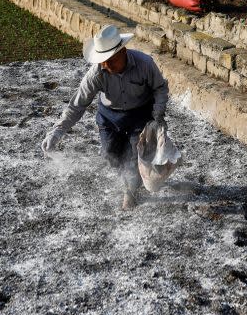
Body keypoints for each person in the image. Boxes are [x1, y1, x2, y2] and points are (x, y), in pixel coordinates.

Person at [41, 25, 169, 210]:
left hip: (140, 113)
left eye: (110, 60)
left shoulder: (145, 64)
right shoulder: (96, 73)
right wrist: (57, 131)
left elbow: (160, 88)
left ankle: (130, 190)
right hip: (109, 117)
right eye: (102, 61)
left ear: (123, 51)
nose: (106, 66)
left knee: (135, 155)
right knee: (110, 154)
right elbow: (77, 104)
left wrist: (158, 115)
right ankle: (127, 178)